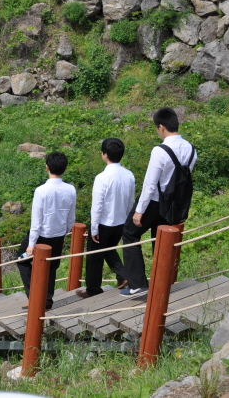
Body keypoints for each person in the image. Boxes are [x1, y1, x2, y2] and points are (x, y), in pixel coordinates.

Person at [121, 108, 197, 297]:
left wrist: (139, 210)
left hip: (153, 203)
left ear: (161, 127)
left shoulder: (160, 150)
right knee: (161, 242)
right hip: (173, 206)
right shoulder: (191, 149)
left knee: (130, 234)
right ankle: (162, 282)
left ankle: (137, 283)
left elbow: (150, 184)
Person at [17, 152, 76, 310]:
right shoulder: (70, 189)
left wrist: (31, 244)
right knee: (51, 267)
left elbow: (36, 221)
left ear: (47, 167)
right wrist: (65, 231)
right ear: (64, 169)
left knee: (22, 261)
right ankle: (47, 301)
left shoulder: (41, 190)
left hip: (41, 235)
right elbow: (71, 217)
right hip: (58, 235)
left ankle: (34, 298)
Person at [77, 138, 135, 299]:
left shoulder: (102, 178)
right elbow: (131, 201)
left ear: (105, 154)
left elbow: (97, 206)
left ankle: (93, 290)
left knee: (95, 257)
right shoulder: (129, 175)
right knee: (109, 250)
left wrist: (94, 228)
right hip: (121, 221)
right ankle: (123, 276)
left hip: (103, 223)